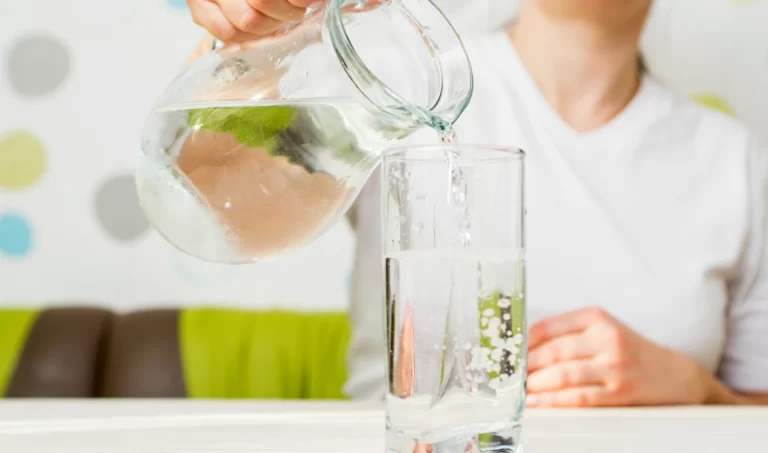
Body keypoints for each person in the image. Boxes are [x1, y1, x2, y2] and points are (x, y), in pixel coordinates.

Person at [183, 0, 768, 406]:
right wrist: (244, 40)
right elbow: (209, 191)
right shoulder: (396, 80)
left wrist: (700, 388)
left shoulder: (733, 160)